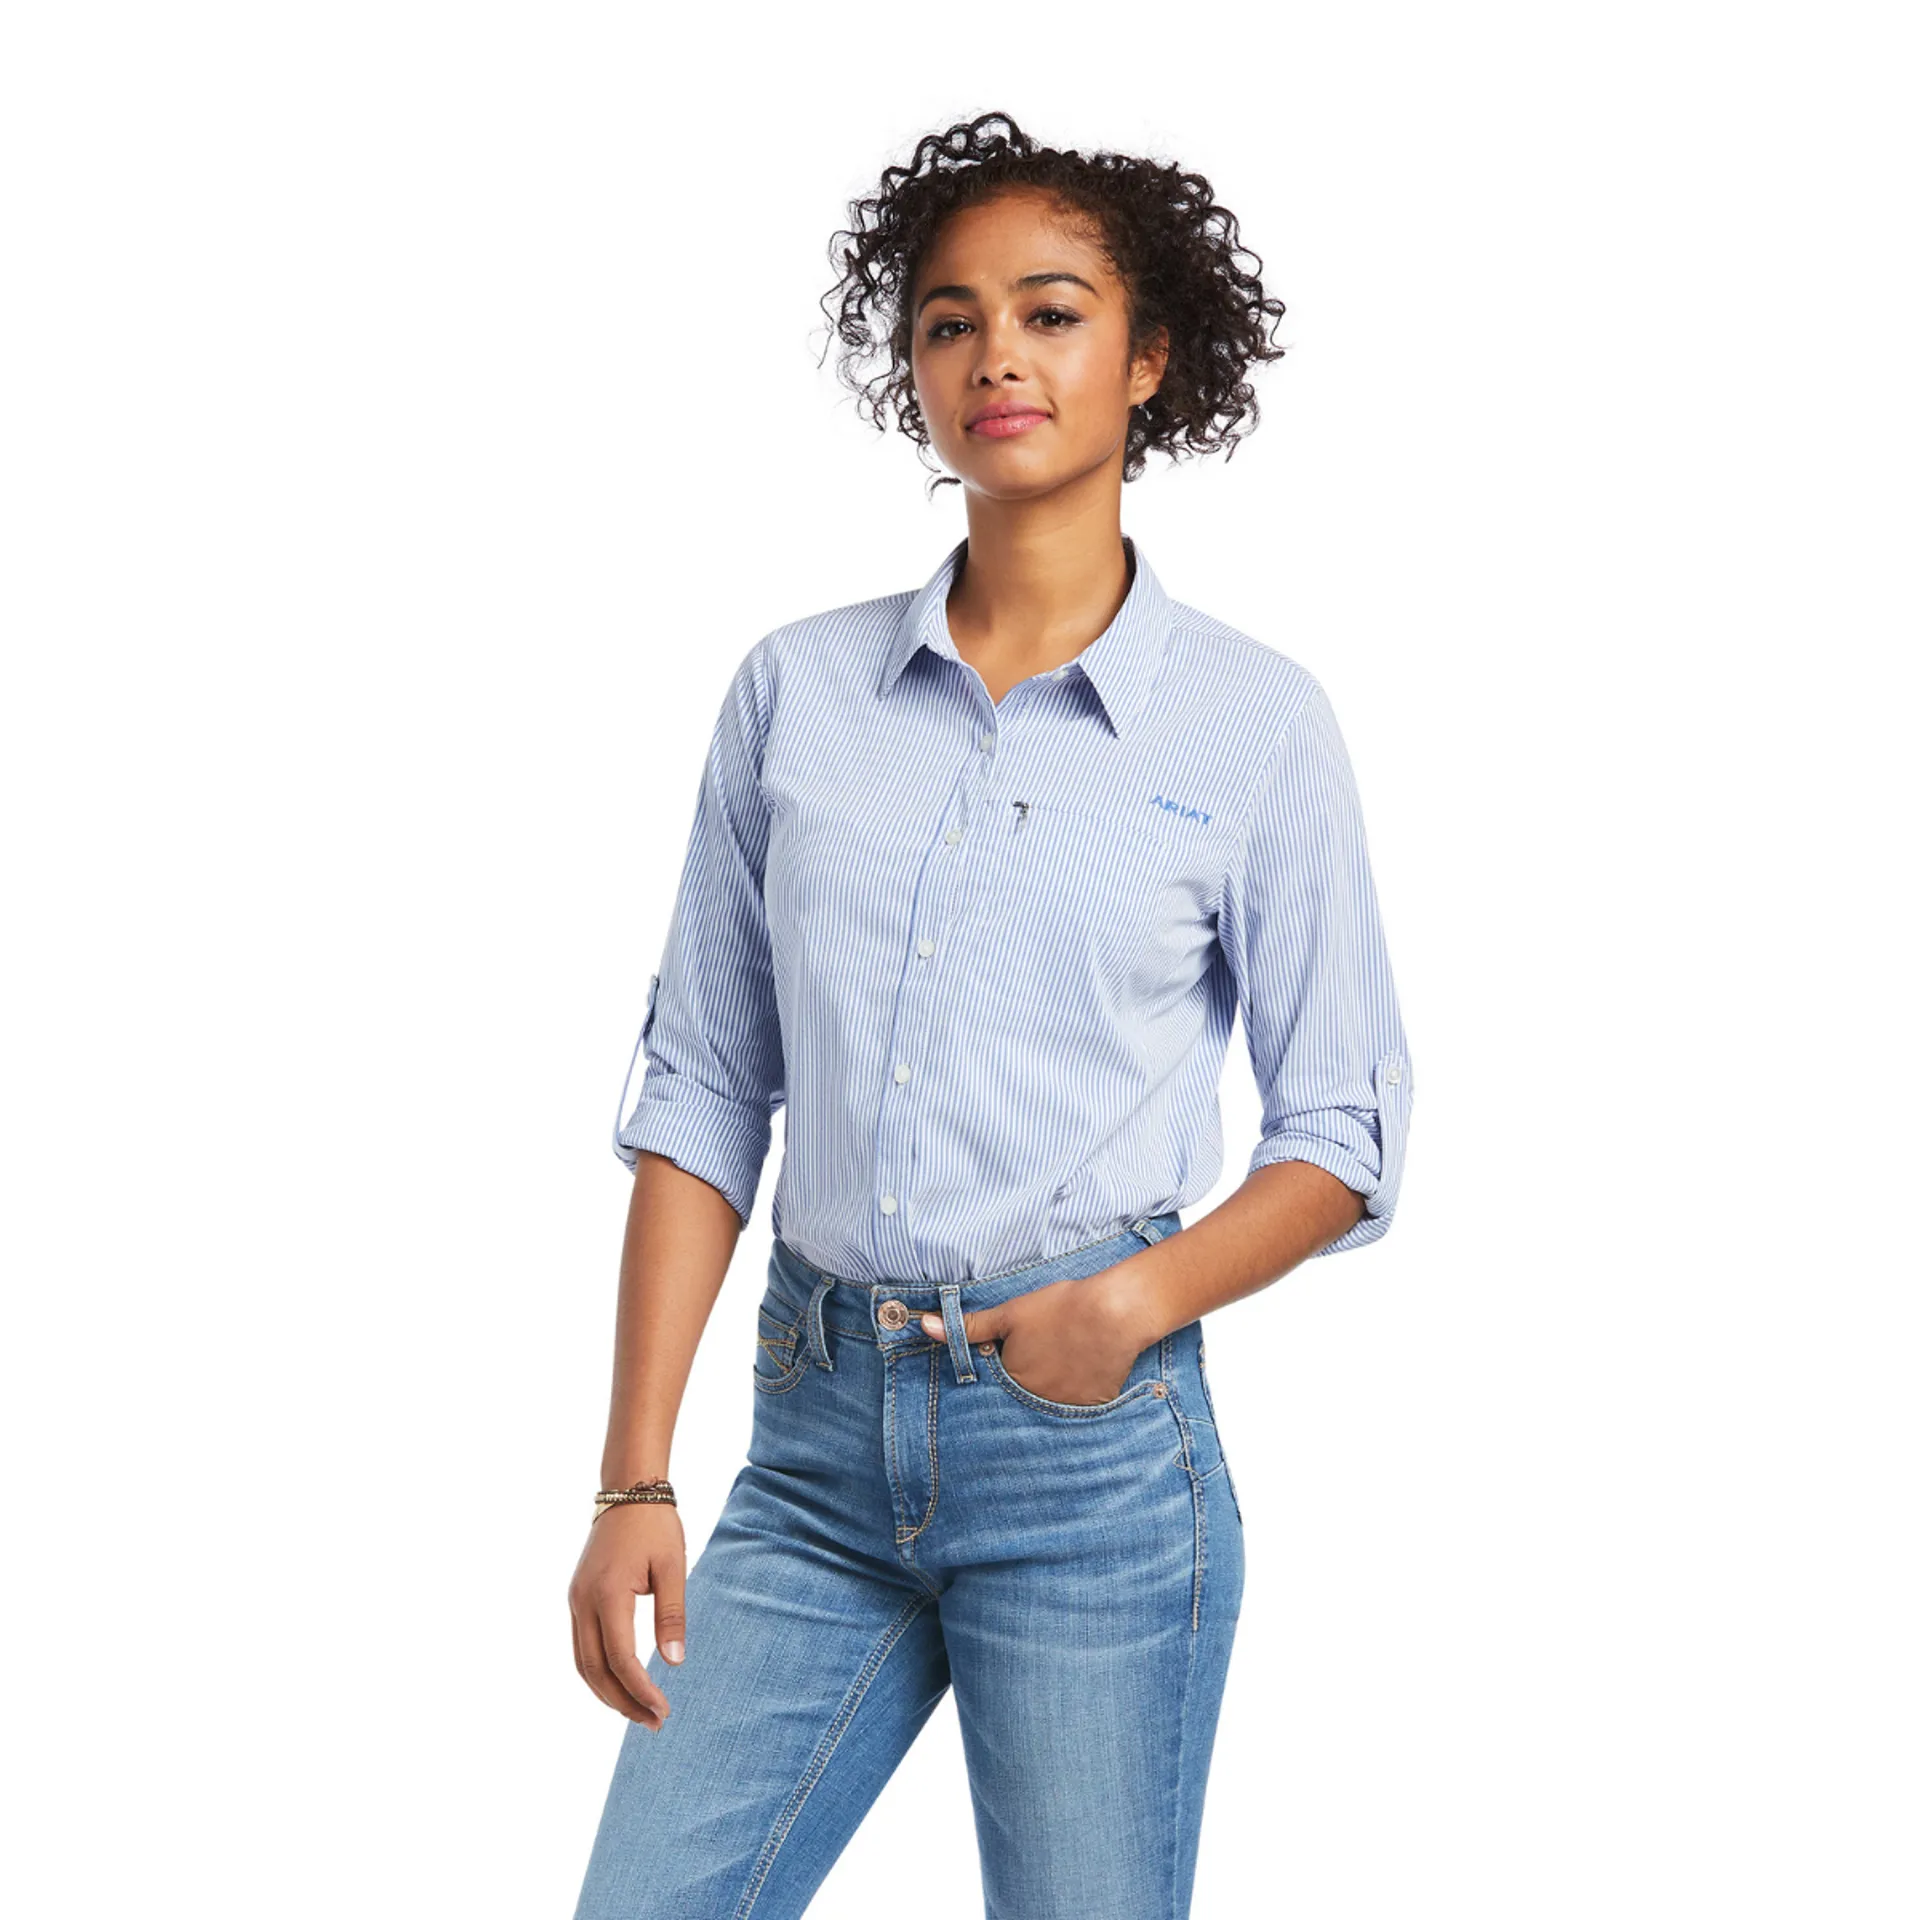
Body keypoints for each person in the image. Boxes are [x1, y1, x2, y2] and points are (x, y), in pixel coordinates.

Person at [569, 110, 1414, 1920]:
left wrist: (1131, 1305)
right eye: (950, 322)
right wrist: (635, 1477)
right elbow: (708, 1088)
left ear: (1150, 356)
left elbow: (1343, 1133)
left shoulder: (1254, 725)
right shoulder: (795, 693)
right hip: (810, 1454)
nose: (996, 358)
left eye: (1050, 314)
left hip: (1091, 1468)